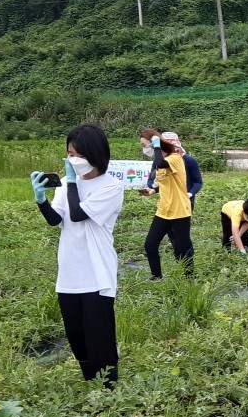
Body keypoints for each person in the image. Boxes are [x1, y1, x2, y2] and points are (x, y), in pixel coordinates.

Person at [29, 124, 124, 386]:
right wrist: (40, 200)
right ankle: (89, 384)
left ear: (96, 154)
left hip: (97, 273)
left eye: (79, 155)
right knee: (77, 337)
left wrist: (71, 181)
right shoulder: (64, 184)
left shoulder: (111, 186)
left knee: (99, 338)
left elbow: (78, 214)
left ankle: (108, 389)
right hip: (70, 272)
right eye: (70, 153)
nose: (73, 160)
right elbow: (56, 219)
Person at [139, 129, 194, 280]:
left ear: (154, 143)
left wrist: (157, 145)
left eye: (145, 145)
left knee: (183, 247)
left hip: (179, 210)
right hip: (163, 210)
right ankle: (157, 276)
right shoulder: (160, 162)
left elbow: (161, 163)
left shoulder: (175, 158)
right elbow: (166, 182)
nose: (144, 148)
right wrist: (153, 191)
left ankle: (189, 278)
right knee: (150, 245)